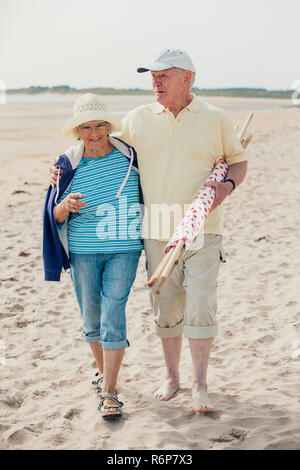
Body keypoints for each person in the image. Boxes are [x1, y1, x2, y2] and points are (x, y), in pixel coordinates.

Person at [50, 49, 248, 413]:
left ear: (187, 78)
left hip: (203, 226)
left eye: (164, 75)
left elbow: (237, 160)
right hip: (155, 228)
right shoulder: (137, 119)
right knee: (167, 307)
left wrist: (227, 186)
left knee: (202, 303)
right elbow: (97, 141)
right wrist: (60, 168)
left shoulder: (215, 118)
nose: (155, 82)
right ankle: (173, 378)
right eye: (152, 76)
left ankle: (200, 385)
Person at [43, 93, 143, 419]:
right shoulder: (67, 165)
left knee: (113, 313)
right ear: (77, 131)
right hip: (83, 252)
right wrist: (65, 206)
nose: (94, 132)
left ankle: (110, 392)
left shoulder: (131, 157)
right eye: (86, 126)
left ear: (108, 126)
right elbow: (52, 216)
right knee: (91, 319)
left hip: (125, 249)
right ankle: (104, 375)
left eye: (99, 124)